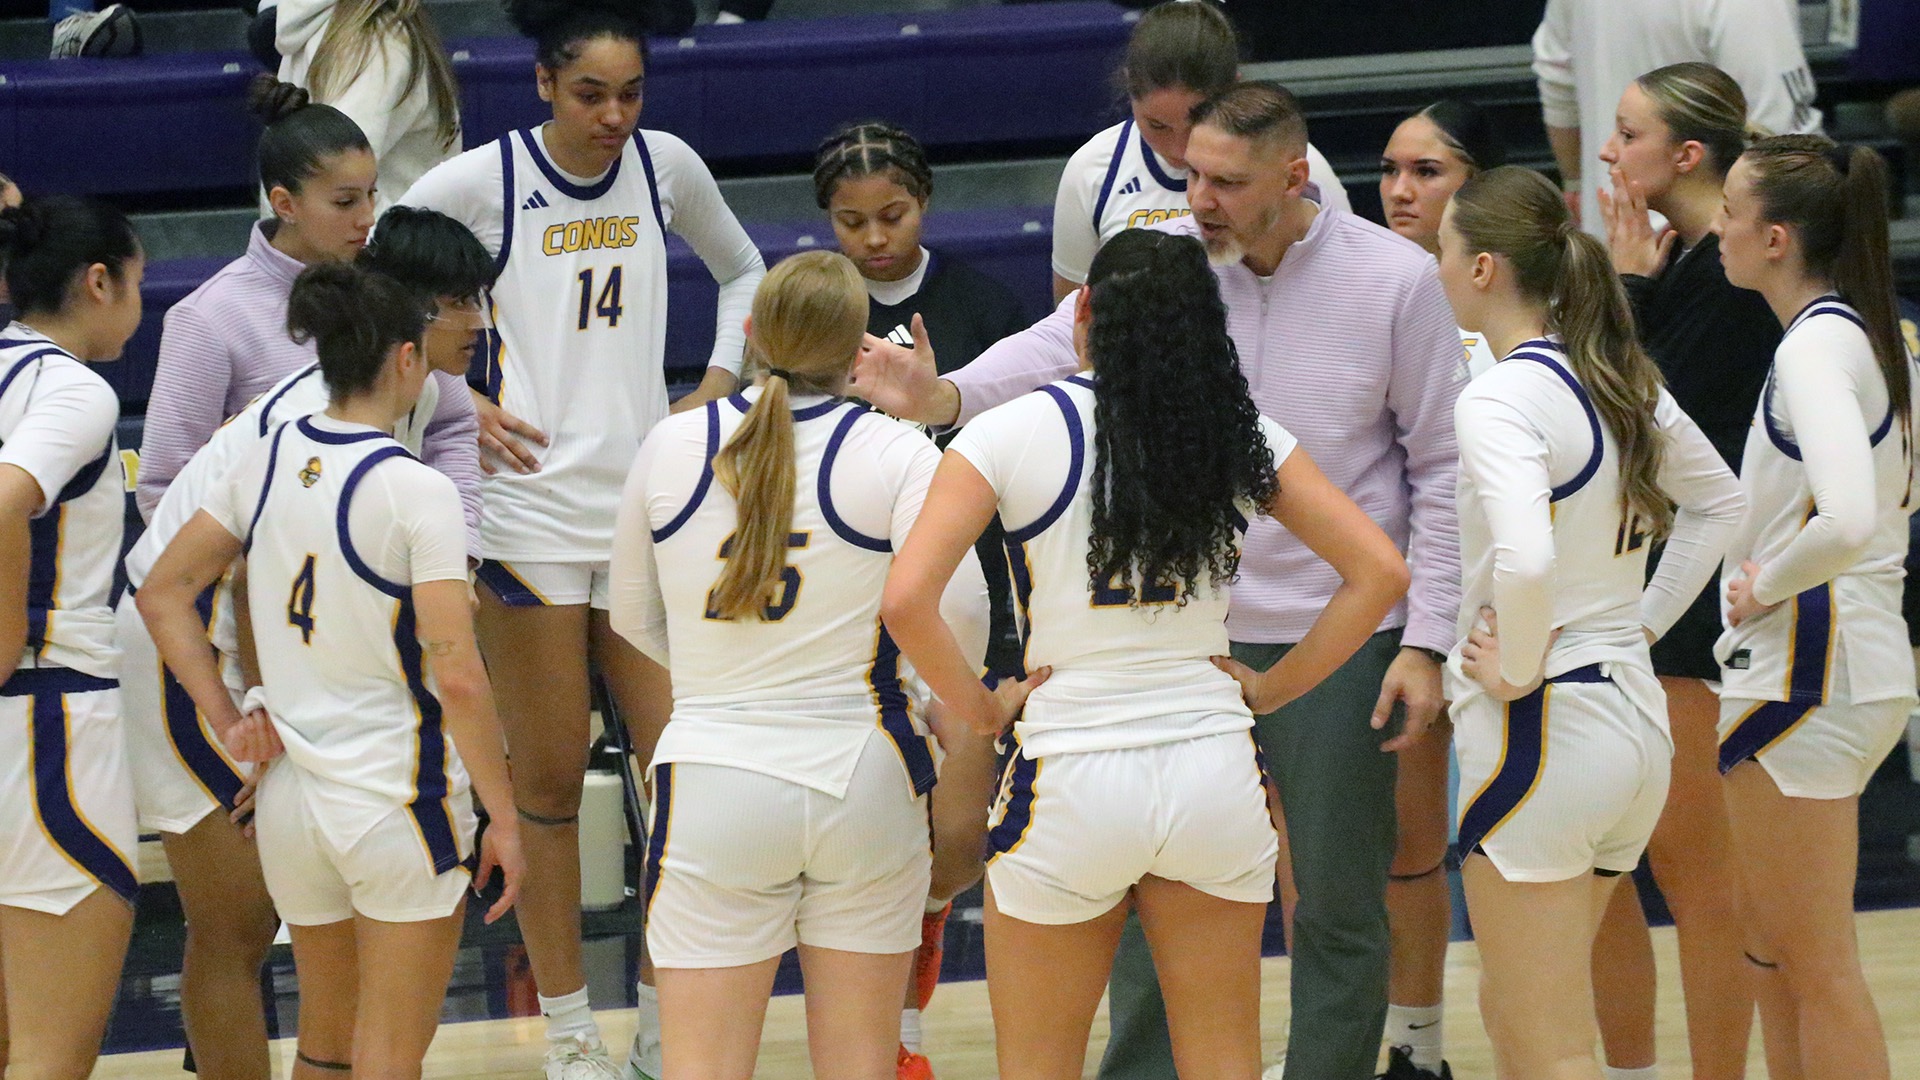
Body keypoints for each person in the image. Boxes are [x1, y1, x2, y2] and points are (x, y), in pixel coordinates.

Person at [855, 81, 1467, 1080]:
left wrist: (978, 711)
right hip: (1209, 764)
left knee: (1042, 1062)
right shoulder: (1238, 432)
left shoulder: (1012, 432)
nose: (1203, 195)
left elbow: (908, 599)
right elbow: (1380, 569)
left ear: (1087, 311)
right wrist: (1269, 688)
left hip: (1073, 770)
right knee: (1225, 1055)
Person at [398, 0, 766, 1072]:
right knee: (549, 787)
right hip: (527, 522)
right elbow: (381, 278)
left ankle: (663, 1026)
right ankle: (566, 1032)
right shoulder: (484, 182)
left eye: (631, 94)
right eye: (593, 93)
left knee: (684, 781)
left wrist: (713, 390)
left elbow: (745, 272)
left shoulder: (666, 167)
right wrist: (457, 397)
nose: (615, 115)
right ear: (546, 86)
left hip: (649, 514)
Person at [115, 205, 495, 1080]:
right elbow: (246, 576)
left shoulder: (404, 400)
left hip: (238, 646)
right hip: (188, 644)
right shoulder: (306, 418)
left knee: (327, 975)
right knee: (235, 923)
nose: (476, 319)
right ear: (406, 316)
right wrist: (247, 711)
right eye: (456, 300)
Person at [607, 249, 991, 1080]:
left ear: (750, 333)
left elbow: (633, 615)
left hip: (713, 774)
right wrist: (937, 703)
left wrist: (727, 674)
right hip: (865, 777)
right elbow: (960, 614)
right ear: (860, 347)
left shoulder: (671, 445)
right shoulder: (900, 453)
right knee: (860, 1065)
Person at [1436, 164, 1743, 1080]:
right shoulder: (1614, 372)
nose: (1437, 266)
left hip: (1545, 729)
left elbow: (1527, 559)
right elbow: (1718, 503)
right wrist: (1636, 627)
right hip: (1633, 725)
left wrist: (1516, 668)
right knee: (1518, 1010)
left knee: (1548, 1044)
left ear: (1486, 267)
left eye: (1447, 249)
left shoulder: (1497, 397)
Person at [812, 118, 1029, 1080]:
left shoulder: (983, 305)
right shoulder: (810, 313)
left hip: (970, 593)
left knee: (955, 841)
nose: (873, 238)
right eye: (851, 221)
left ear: (926, 203)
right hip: (845, 604)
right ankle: (895, 1033)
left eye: (891, 215)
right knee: (873, 836)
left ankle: (931, 928)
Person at [1586, 61, 1779, 1080]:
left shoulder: (1725, 278)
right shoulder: (1696, 268)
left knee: (1702, 878)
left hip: (1703, 606)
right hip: (1676, 593)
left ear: (1687, 155)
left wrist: (1624, 286)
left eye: (1625, 134)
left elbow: (1641, 421)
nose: (1611, 154)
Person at [1712, 134, 1917, 1080]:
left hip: (1809, 669)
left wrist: (1766, 578)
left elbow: (1847, 518)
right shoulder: (1877, 329)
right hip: (1851, 660)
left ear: (1778, 237)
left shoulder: (1816, 346)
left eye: (1733, 207)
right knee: (1774, 944)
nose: (1718, 223)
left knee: (1819, 964)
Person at [142, 75, 482, 547]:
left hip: (383, 575)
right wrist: (259, 581)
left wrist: (456, 546)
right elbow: (164, 487)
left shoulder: (390, 287)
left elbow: (453, 423)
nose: (367, 217)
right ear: (285, 204)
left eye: (372, 194)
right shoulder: (208, 318)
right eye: (345, 201)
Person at [1371, 96, 1506, 1080]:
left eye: (1429, 170)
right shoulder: (1366, 293)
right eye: (1391, 170)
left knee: (1527, 859)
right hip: (1410, 612)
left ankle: (1552, 1045)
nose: (1402, 189)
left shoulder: (1519, 308)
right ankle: (1414, 1047)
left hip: (1514, 612)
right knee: (1408, 848)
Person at [0, 195, 142, 1080]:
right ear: (99, 282)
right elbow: (5, 503)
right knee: (53, 1055)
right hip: (47, 719)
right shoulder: (71, 387)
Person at [1048, 0, 1348, 304]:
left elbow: (1348, 285)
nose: (1180, 150)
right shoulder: (1091, 170)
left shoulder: (1295, 166)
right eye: (1157, 125)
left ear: (1235, 88)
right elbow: (1072, 322)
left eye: (1197, 121)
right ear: (1129, 88)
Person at [1532, 0, 1821, 237]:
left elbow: (1556, 72)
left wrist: (1576, 183)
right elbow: (1786, 144)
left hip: (1623, 239)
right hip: (1715, 254)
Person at [275, 0, 463, 216]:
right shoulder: (371, 42)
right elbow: (337, 184)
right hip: (382, 241)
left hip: (394, 239)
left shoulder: (365, 39)